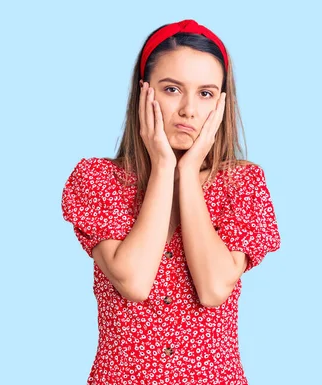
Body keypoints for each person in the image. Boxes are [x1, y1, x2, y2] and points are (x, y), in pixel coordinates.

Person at [61, 19, 281, 385]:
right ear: (143, 92)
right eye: (172, 89)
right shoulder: (98, 180)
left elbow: (213, 290)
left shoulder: (241, 184)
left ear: (223, 103)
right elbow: (133, 281)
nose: (189, 110)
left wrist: (191, 169)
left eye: (206, 93)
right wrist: (164, 166)